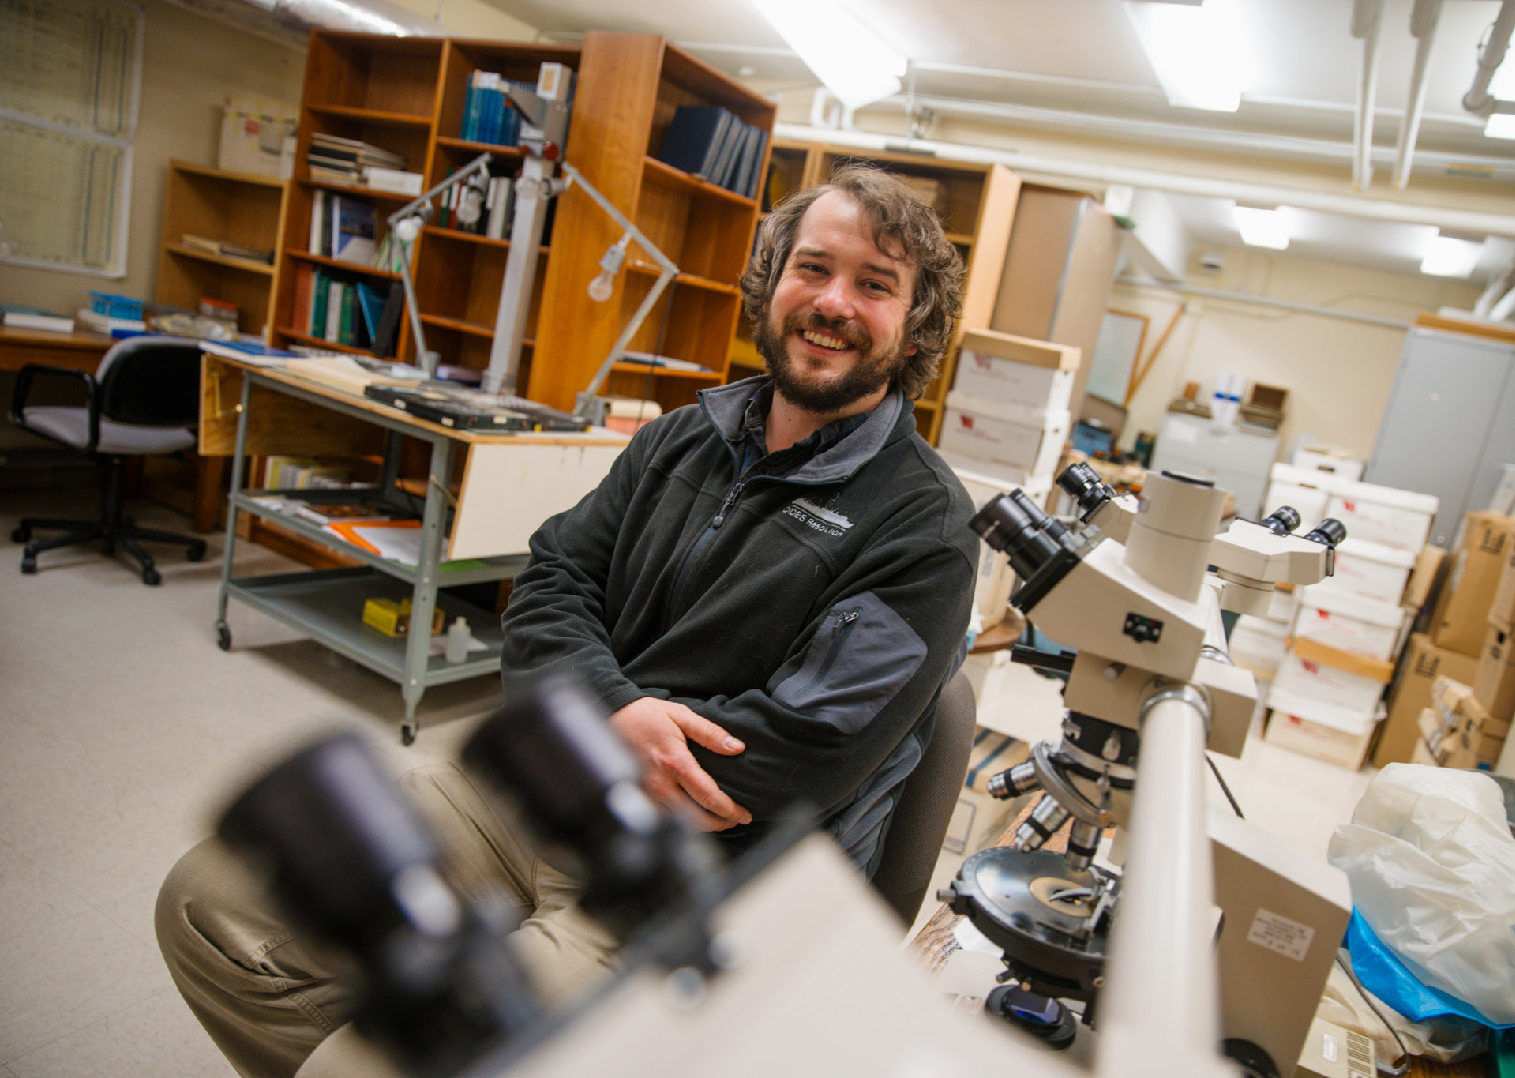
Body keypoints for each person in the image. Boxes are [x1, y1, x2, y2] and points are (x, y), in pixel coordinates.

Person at [154, 164, 978, 1078]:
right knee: (211, 905)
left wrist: (584, 724)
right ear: (772, 279)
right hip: (543, 790)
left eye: (874, 285)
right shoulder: (680, 435)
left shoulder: (924, 527)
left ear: (912, 331)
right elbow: (551, 581)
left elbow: (801, 753)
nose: (832, 302)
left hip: (701, 868)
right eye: (813, 268)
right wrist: (616, 713)